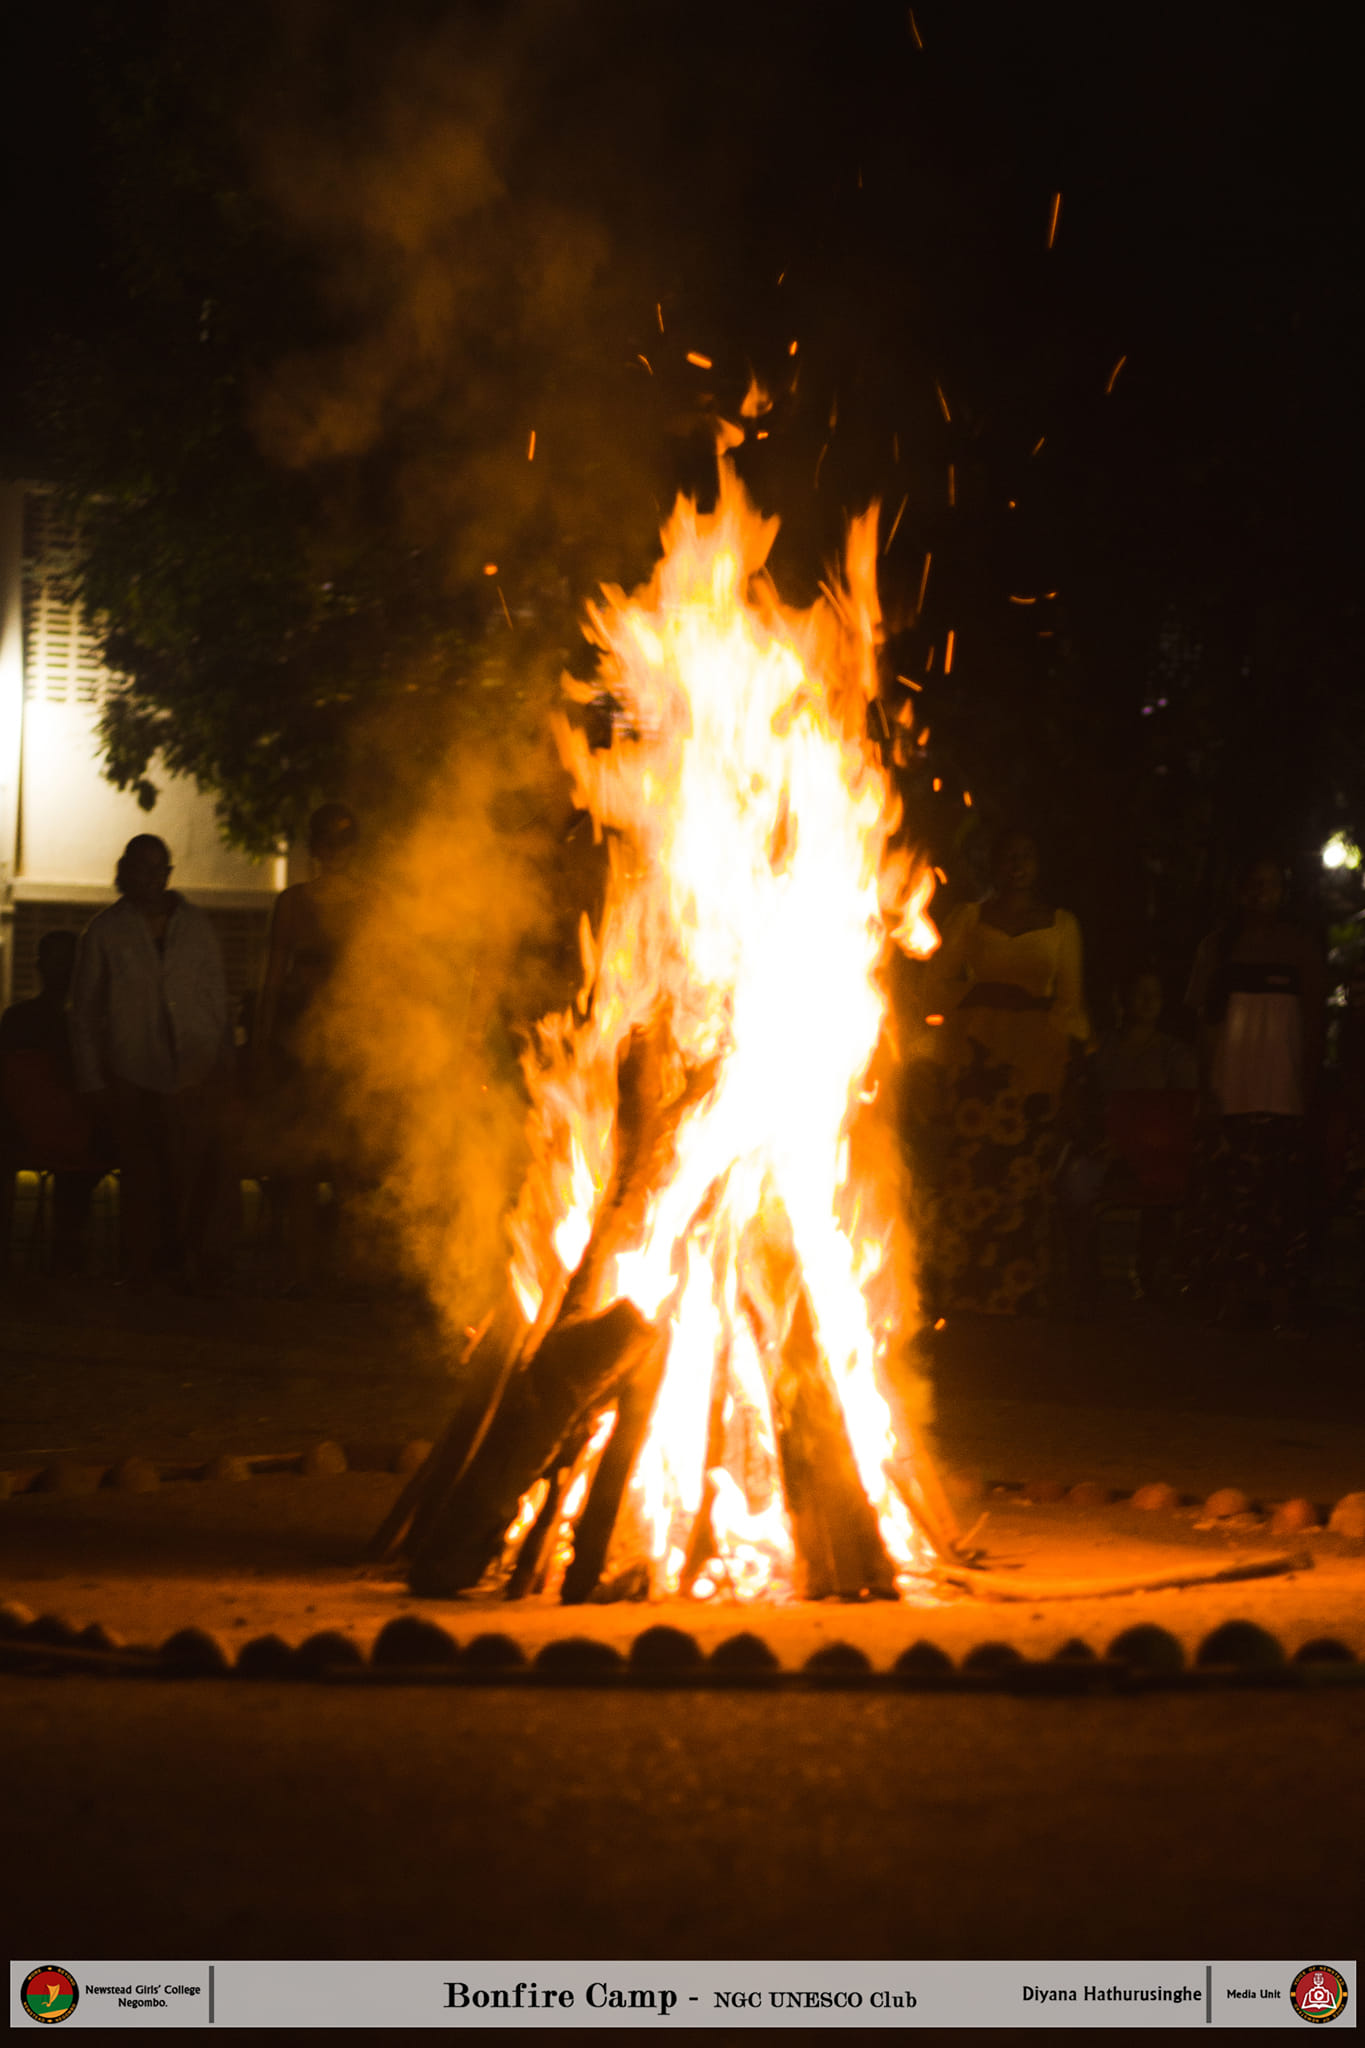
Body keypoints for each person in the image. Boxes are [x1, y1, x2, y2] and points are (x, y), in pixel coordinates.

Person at [922, 828, 1090, 1314]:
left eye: (1027, 855)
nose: (1018, 864)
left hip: (1036, 1066)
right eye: (1009, 855)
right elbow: (935, 985)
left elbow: (1071, 1000)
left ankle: (1020, 1292)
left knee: (1026, 1180)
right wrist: (976, 996)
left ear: (1039, 865)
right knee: (975, 1175)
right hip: (977, 1062)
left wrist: (1077, 1058)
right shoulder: (970, 920)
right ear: (995, 865)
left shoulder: (1061, 925)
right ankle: (969, 1291)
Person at [69, 834, 235, 1288]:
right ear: (125, 871)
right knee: (142, 1176)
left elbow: (215, 997)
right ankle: (145, 1268)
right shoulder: (105, 931)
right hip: (132, 1069)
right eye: (139, 868)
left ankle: (192, 1263)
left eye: (156, 869)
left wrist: (222, 1060)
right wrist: (92, 1081)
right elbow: (84, 1011)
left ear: (167, 875)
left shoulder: (196, 926)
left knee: (192, 1171)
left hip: (193, 1068)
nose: (147, 878)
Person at [1182, 855, 1324, 1330]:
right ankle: (1232, 1295)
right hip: (1232, 1093)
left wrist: (1310, 1085)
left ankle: (1279, 1297)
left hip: (1282, 1093)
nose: (1263, 894)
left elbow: (1314, 1023)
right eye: (1255, 884)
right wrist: (1205, 1088)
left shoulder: (1299, 948)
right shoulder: (1217, 949)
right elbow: (1204, 1026)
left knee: (1279, 1202)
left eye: (1272, 885)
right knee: (1232, 1202)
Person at [253, 803, 362, 1289]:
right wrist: (261, 1042)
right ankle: (303, 1266)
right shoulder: (294, 904)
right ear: (316, 850)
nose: (333, 854)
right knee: (301, 1162)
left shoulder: (373, 902)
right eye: (327, 845)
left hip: (356, 1050)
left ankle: (344, 1267)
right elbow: (273, 980)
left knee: (350, 1167)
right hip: (302, 1047)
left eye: (340, 845)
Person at [0, 930, 106, 1272]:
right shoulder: (92, 1025)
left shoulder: (15, 1019)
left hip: (23, 1137)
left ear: (38, 968)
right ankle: (70, 1241)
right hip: (80, 1140)